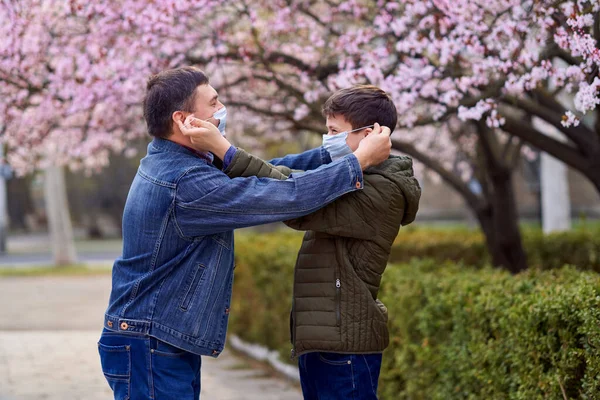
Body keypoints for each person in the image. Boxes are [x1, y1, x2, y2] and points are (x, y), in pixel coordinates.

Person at [97, 67, 392, 400]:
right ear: (184, 119)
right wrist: (355, 162)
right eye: (213, 102)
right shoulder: (186, 182)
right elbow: (283, 196)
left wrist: (330, 154)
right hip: (149, 341)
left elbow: (267, 170)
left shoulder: (181, 164)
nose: (222, 109)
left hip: (154, 336)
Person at [223, 85, 421, 399]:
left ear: (370, 134)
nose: (327, 138)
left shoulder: (380, 191)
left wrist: (227, 153)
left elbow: (294, 200)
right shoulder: (354, 176)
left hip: (345, 347)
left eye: (334, 130)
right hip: (325, 339)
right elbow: (284, 169)